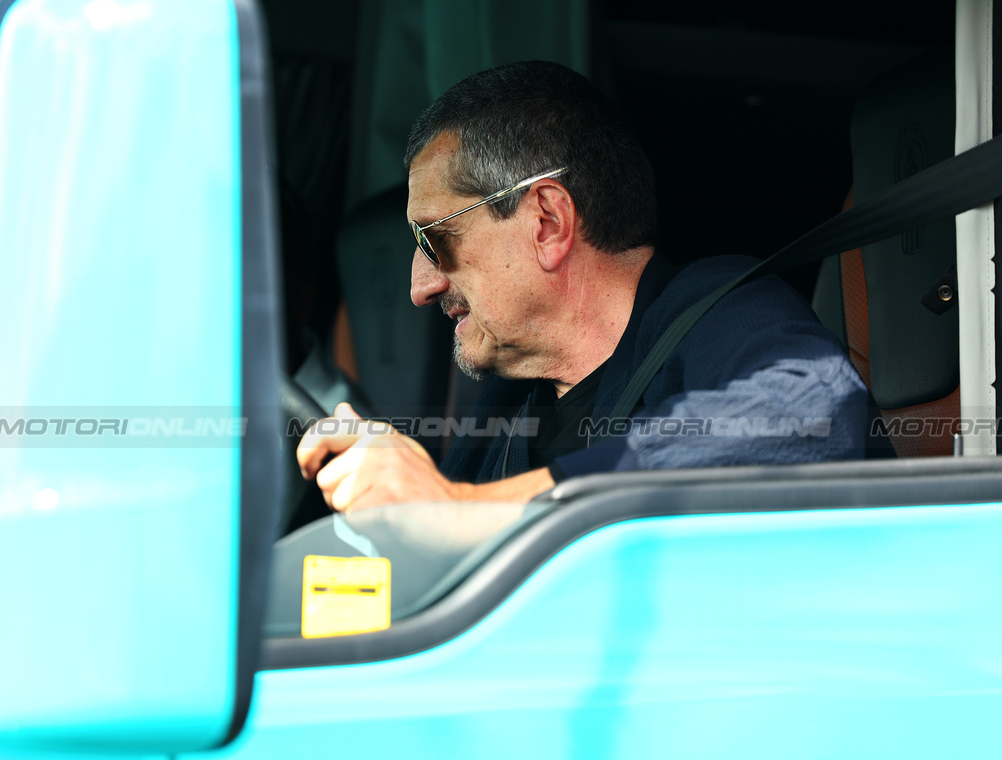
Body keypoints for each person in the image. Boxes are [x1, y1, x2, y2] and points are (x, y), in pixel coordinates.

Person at [298, 61, 869, 512]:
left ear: (547, 222)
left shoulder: (715, 309)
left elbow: (809, 410)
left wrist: (466, 509)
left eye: (434, 240)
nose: (421, 287)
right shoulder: (507, 407)